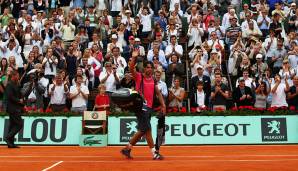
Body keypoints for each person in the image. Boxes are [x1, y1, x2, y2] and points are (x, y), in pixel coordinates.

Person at [120, 50, 166, 160]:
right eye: (148, 67)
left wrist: (163, 105)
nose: (150, 69)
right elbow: (131, 69)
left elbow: (158, 93)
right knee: (147, 129)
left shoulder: (153, 79)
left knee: (142, 130)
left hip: (149, 108)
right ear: (144, 68)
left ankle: (127, 148)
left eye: (151, 67)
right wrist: (134, 58)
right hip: (140, 107)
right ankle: (154, 153)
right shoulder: (139, 76)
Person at [4, 70, 24, 148]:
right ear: (13, 76)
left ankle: (11, 143)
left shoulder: (16, 84)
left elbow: (19, 94)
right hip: (13, 108)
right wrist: (19, 100)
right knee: (19, 124)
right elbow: (10, 96)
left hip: (15, 107)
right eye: (17, 76)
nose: (18, 77)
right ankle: (8, 137)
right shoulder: (9, 84)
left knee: (12, 125)